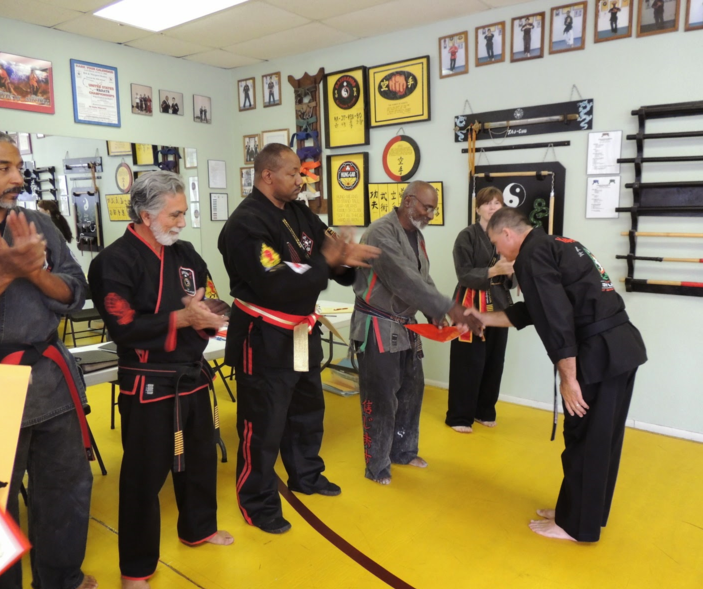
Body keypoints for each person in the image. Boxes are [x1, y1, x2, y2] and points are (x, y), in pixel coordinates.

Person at [218, 143, 379, 534]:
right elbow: (275, 279)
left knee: (307, 409)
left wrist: (344, 259)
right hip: (264, 336)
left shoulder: (298, 211)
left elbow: (326, 252)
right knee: (264, 423)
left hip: (302, 331)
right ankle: (257, 502)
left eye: (300, 173)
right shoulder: (245, 225)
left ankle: (306, 474)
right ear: (267, 175)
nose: (300, 180)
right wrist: (327, 261)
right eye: (292, 173)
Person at [88, 171, 234, 589]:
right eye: (174, 215)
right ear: (145, 214)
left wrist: (210, 314)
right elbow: (124, 327)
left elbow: (210, 298)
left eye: (183, 213)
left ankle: (199, 528)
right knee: (143, 477)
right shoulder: (113, 262)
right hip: (148, 382)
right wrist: (182, 318)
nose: (182, 222)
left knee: (201, 461)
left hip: (192, 375)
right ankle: (135, 569)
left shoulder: (185, 253)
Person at [0, 126, 97, 589]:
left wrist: (37, 274)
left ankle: (59, 576)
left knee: (66, 487)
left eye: (19, 167)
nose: (18, 178)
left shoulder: (37, 223)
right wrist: (4, 271)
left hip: (48, 376)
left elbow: (75, 291)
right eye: (3, 167)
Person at [471, 208, 647, 542]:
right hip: (621, 347)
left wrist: (569, 379)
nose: (499, 253)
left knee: (585, 438)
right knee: (602, 439)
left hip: (597, 354)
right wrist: (483, 318)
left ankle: (575, 525)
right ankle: (581, 511)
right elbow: (535, 310)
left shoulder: (531, 256)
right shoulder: (557, 244)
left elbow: (557, 319)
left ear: (508, 233)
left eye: (496, 244)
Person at [351, 182, 482, 485]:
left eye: (434, 208)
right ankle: (377, 466)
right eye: (427, 207)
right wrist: (449, 306)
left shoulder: (415, 236)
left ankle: (404, 451)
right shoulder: (380, 232)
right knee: (381, 397)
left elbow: (422, 278)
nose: (431, 214)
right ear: (409, 201)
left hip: (405, 326)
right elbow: (403, 279)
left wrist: (433, 311)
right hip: (377, 325)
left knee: (411, 390)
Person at [446, 187, 515, 434]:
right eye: (487, 203)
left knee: (495, 360)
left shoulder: (507, 235)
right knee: (468, 361)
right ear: (477, 208)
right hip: (470, 304)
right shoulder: (467, 236)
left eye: (497, 203)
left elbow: (512, 273)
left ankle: (484, 410)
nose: (493, 207)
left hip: (499, 304)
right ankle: (459, 416)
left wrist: (511, 273)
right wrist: (493, 270)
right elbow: (463, 273)